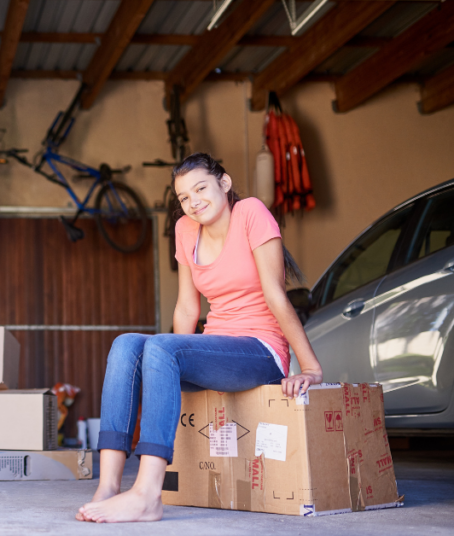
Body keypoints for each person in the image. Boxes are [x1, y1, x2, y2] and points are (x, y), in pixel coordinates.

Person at [76, 152, 324, 523]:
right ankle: (108, 487)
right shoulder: (184, 230)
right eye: (183, 197)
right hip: (216, 352)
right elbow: (187, 308)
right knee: (126, 344)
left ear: (223, 184)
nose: (193, 202)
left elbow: (276, 296)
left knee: (161, 347)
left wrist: (311, 367)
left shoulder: (251, 213)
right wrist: (171, 364)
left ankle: (147, 495)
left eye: (201, 189)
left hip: (260, 352)